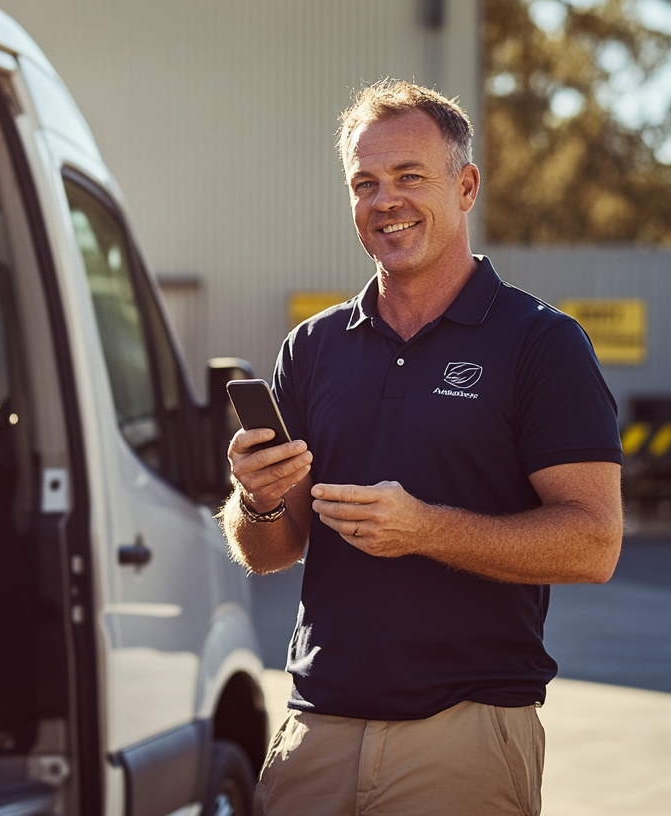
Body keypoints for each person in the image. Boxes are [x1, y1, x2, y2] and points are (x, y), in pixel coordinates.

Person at [219, 79, 625, 816]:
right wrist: (259, 498)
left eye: (409, 177)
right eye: (364, 183)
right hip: (316, 726)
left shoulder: (540, 344)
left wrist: (424, 530)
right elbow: (270, 550)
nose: (385, 200)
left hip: (464, 732)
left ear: (465, 186)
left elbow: (594, 544)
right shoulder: (311, 350)